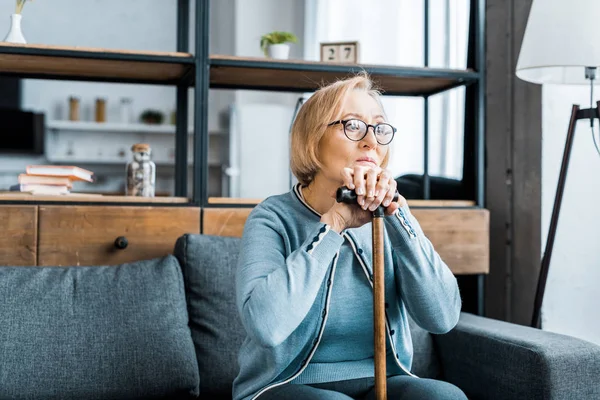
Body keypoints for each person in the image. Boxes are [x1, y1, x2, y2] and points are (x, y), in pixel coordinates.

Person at [232, 73, 466, 400]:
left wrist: (399, 218)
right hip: (284, 386)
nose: (371, 141)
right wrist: (335, 223)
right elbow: (266, 327)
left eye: (379, 128)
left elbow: (442, 317)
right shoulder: (272, 217)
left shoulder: (389, 215)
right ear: (312, 139)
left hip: (382, 381)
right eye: (353, 125)